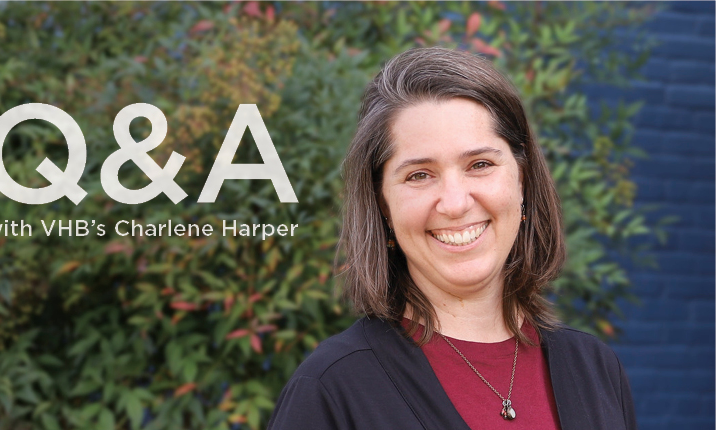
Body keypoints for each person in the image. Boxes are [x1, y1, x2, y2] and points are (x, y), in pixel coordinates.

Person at [267, 47, 637, 430]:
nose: (456, 204)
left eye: (480, 165)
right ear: (383, 205)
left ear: (522, 181)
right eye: (419, 175)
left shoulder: (595, 369)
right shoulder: (331, 387)